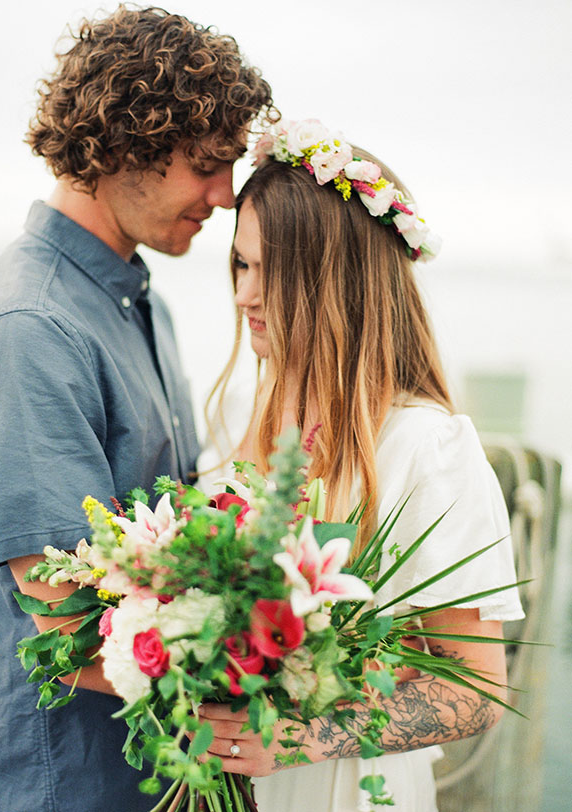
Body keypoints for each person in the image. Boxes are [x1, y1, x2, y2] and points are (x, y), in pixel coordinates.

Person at [0, 6, 275, 811]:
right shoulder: (26, 329)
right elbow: (68, 619)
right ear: (127, 146)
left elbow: (167, 537)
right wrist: (290, 658)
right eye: (207, 165)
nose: (226, 197)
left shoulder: (129, 301)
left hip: (153, 775)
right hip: (62, 785)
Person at [196, 119, 524, 811]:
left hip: (345, 791)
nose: (244, 296)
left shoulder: (425, 450)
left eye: (269, 271)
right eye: (240, 264)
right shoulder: (233, 420)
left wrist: (294, 739)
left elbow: (476, 688)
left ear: (336, 281)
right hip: (216, 783)